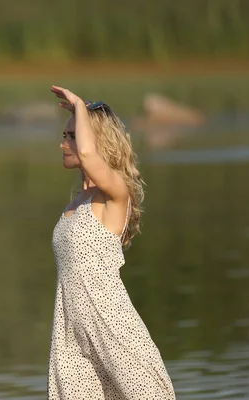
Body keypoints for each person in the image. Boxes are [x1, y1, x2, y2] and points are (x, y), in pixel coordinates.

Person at [47, 86, 176, 400]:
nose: (63, 143)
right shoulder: (77, 201)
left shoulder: (115, 193)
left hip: (110, 323)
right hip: (70, 331)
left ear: (96, 140)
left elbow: (90, 156)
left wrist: (79, 104)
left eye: (72, 136)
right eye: (65, 135)